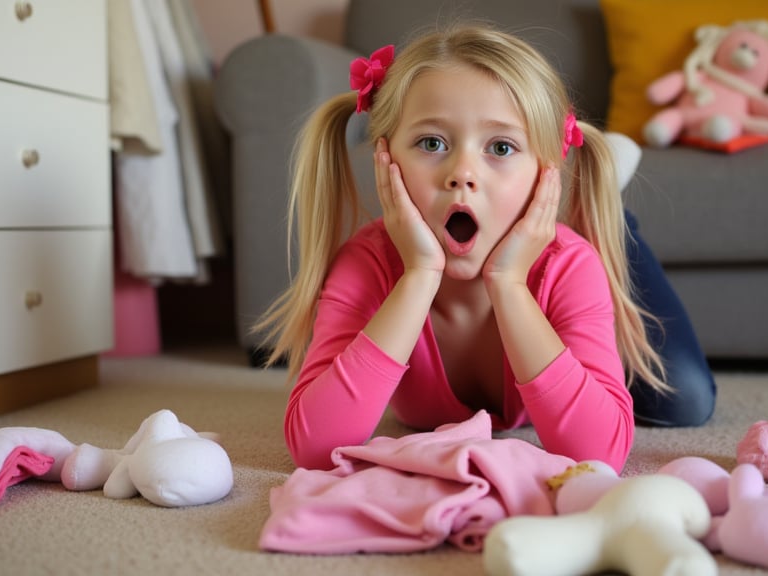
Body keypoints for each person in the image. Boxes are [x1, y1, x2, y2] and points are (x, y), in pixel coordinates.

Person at [256, 25, 715, 471]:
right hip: (447, 249)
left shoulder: (570, 265)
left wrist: (510, 283)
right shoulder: (367, 264)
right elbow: (315, 449)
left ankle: (608, 208)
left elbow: (600, 456)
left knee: (686, 398)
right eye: (432, 142)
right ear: (385, 159)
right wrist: (417, 275)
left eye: (500, 146)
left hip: (565, 250)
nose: (462, 172)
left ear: (545, 169)